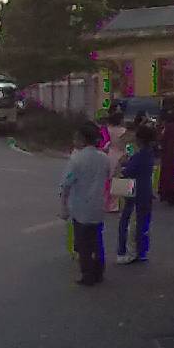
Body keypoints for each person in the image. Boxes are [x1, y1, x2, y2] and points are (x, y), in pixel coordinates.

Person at [59, 122, 109, 286]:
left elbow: (66, 184)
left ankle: (87, 274)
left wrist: (63, 206)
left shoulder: (77, 159)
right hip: (98, 205)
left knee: (83, 243)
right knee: (97, 240)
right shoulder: (104, 158)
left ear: (82, 139)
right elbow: (107, 177)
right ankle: (99, 271)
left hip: (81, 207)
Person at [115, 123, 156, 265]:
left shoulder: (139, 156)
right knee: (143, 223)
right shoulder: (149, 154)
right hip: (145, 190)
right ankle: (141, 251)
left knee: (129, 222)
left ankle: (128, 252)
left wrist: (122, 164)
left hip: (133, 191)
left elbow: (127, 172)